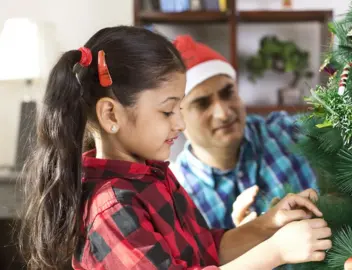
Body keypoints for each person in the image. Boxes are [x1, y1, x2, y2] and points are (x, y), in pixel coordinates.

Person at [17, 26, 332, 270]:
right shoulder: (111, 207)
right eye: (168, 111)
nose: (180, 125)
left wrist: (268, 224)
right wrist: (276, 252)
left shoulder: (154, 176)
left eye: (181, 109)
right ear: (111, 114)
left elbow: (207, 250)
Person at [172, 35, 319, 229]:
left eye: (228, 93)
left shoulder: (285, 132)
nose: (224, 113)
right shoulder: (178, 197)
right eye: (202, 103)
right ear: (176, 119)